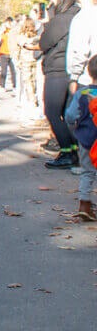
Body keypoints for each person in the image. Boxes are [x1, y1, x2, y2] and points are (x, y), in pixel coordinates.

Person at [39, 0, 80, 169]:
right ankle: (72, 150)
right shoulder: (76, 14)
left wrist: (48, 22)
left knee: (53, 112)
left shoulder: (62, 18)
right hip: (68, 68)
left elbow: (44, 42)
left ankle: (67, 151)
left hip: (57, 69)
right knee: (66, 113)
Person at [66, 56, 97, 220]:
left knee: (87, 172)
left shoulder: (82, 93)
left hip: (85, 138)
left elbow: (70, 115)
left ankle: (84, 203)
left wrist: (76, 124)